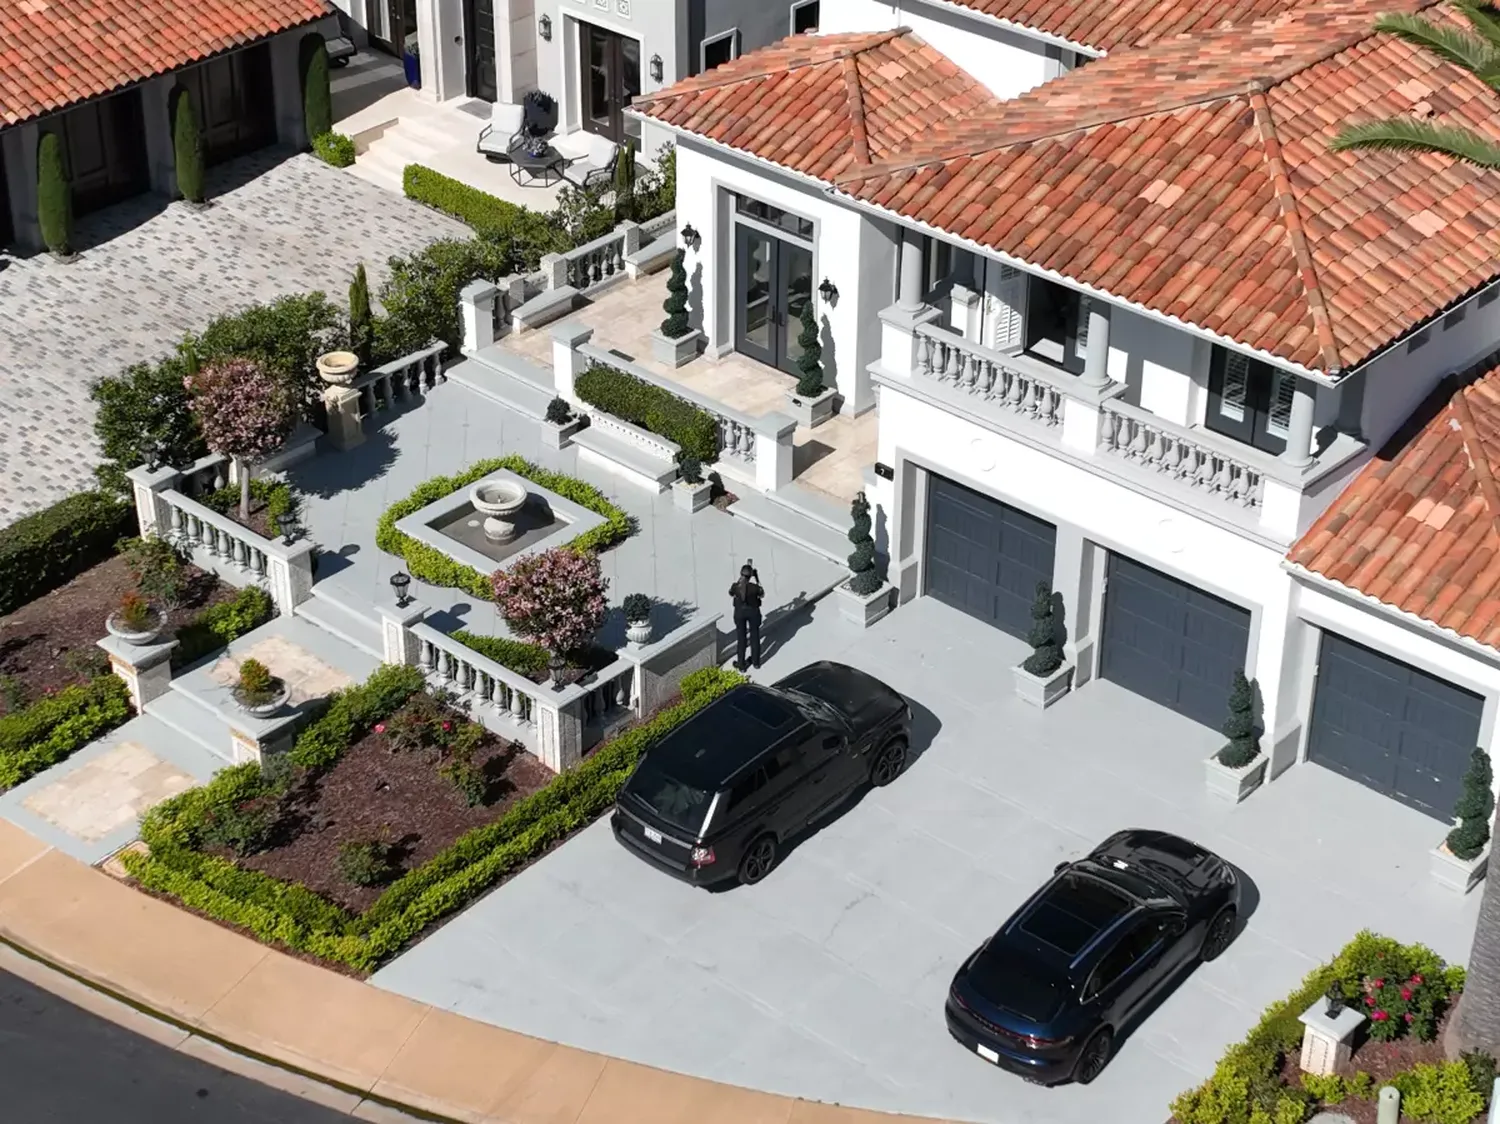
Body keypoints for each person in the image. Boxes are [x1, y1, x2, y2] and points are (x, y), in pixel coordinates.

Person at [730, 562, 764, 671]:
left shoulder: (735, 586)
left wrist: (739, 581)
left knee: (741, 638)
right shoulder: (755, 588)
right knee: (755, 637)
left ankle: (741, 665)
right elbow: (762, 594)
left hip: (739, 614)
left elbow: (730, 593)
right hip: (753, 613)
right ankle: (756, 662)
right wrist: (757, 579)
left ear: (741, 574)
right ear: (750, 576)